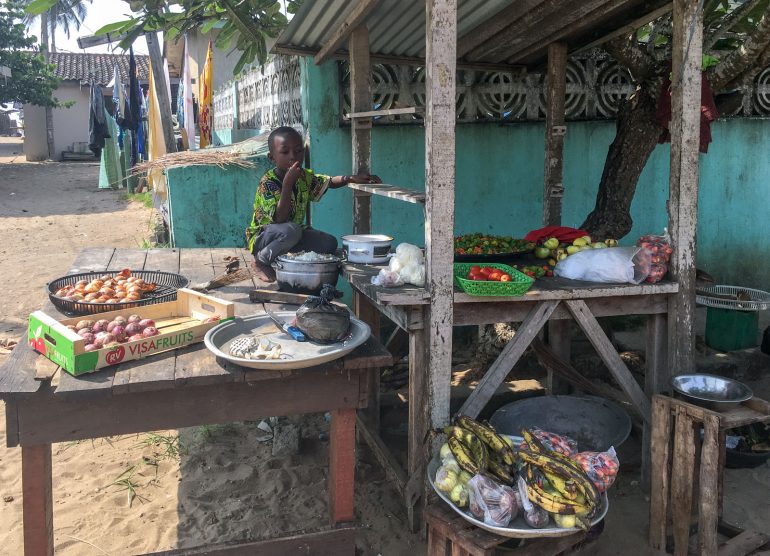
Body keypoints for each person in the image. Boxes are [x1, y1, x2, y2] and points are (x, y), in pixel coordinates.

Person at [246, 126, 381, 282]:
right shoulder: (268, 183)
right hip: (264, 237)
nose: (293, 156)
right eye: (285, 152)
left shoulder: (303, 177)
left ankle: (283, 258)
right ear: (272, 157)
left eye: (298, 151)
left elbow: (328, 182)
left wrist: (350, 178)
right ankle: (260, 261)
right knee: (292, 230)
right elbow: (280, 219)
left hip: (291, 235)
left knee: (329, 243)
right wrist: (288, 184)